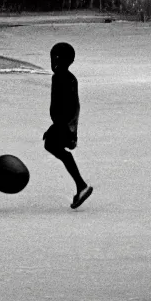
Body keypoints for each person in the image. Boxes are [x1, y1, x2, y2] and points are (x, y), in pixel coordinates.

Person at [44, 42, 93, 209]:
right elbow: (75, 106)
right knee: (52, 146)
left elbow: (68, 107)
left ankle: (81, 185)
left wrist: (60, 127)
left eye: (53, 58)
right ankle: (81, 186)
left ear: (57, 60)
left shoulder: (60, 78)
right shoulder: (69, 77)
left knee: (53, 146)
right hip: (66, 124)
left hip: (63, 124)